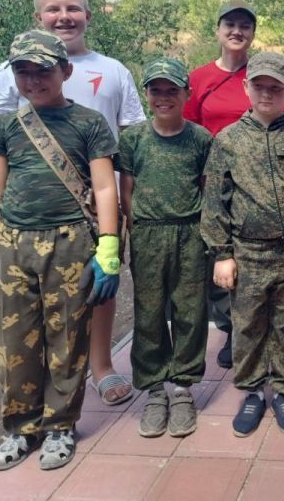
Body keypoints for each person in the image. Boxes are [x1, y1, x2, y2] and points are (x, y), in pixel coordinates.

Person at [0, 0, 145, 407]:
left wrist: (126, 206)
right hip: (32, 213)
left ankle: (102, 366)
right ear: (38, 17)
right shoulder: (10, 70)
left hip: (98, 204)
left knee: (98, 287)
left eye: (72, 8)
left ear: (88, 16)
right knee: (35, 307)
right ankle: (36, 387)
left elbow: (131, 138)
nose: (63, 17)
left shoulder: (113, 69)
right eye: (52, 9)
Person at [0, 29, 120, 471]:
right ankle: (21, 428)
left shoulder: (89, 123)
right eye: (24, 72)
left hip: (70, 242)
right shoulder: (5, 129)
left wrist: (108, 246)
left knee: (67, 336)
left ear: (65, 71)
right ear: (13, 76)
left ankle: (60, 426)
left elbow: (104, 185)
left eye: (43, 70)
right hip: (14, 246)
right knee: (14, 341)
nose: (34, 80)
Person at [201, 52, 284, 437]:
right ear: (247, 88)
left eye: (276, 86)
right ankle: (253, 391)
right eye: (260, 85)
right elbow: (214, 201)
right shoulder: (229, 140)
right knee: (249, 324)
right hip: (247, 252)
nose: (268, 93)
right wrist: (222, 254)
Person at [184, 0, 284, 369]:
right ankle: (231, 330)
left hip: (259, 184)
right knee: (222, 258)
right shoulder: (198, 79)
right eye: (230, 24)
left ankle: (264, 332)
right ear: (217, 29)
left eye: (245, 26)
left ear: (253, 33)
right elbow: (188, 132)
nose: (237, 31)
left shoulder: (266, 76)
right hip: (213, 181)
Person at [119, 58, 213, 439]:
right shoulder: (133, 138)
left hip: (190, 232)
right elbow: (127, 188)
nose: (163, 97)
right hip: (148, 233)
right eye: (155, 90)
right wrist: (134, 227)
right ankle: (155, 388)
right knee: (150, 312)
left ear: (186, 94)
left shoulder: (201, 138)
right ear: (146, 95)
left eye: (171, 90)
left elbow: (207, 189)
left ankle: (183, 387)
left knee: (191, 311)